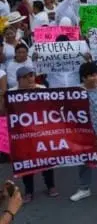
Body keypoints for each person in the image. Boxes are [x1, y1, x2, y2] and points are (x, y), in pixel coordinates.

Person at [70, 62, 97, 202]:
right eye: (91, 75)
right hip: (82, 137)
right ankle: (84, 188)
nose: (95, 78)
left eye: (96, 74)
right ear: (83, 78)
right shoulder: (76, 92)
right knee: (83, 163)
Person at [14, 66, 58, 203]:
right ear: (19, 80)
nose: (30, 79)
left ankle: (50, 186)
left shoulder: (42, 89)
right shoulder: (11, 93)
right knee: (26, 163)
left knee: (46, 160)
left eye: (31, 76)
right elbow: (5, 113)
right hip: (23, 135)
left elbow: (50, 108)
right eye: (26, 77)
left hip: (41, 132)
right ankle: (28, 191)